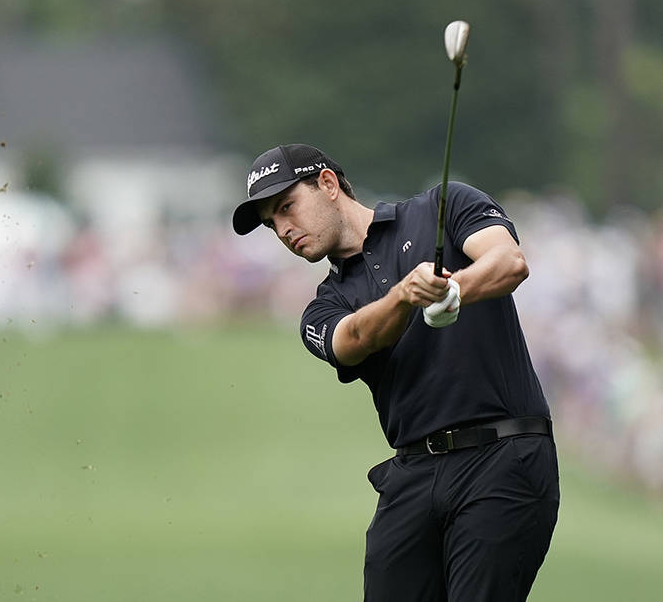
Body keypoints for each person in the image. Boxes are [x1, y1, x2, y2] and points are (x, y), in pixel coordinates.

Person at [232, 143, 559, 602]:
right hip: (414, 474)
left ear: (327, 184)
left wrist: (454, 289)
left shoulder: (444, 206)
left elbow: (509, 262)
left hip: (504, 457)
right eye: (272, 223)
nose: (284, 230)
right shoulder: (322, 307)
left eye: (287, 207)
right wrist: (406, 296)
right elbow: (355, 340)